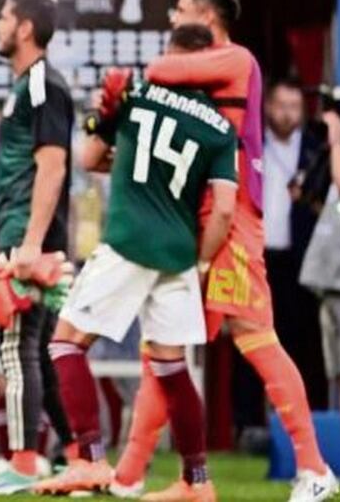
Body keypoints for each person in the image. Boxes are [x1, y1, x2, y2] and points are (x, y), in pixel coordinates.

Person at [110, 0, 340, 502]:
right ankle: (132, 477)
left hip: (232, 219)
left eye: (182, 8)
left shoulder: (237, 60)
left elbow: (159, 70)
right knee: (163, 347)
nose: (173, 18)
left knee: (254, 334)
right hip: (196, 216)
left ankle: (314, 468)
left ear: (208, 17)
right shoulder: (205, 74)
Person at [33, 24, 239, 501]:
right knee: (171, 366)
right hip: (179, 253)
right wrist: (202, 261)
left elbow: (88, 157)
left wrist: (99, 118)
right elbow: (224, 207)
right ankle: (197, 482)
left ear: (171, 55)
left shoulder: (134, 95)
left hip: (128, 240)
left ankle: (89, 460)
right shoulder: (218, 125)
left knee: (65, 344)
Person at [0, 0, 76, 494]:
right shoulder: (24, 84)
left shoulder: (43, 84)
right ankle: (78, 454)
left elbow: (52, 163)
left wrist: (32, 242)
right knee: (36, 349)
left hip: (30, 240)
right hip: (20, 233)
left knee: (19, 348)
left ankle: (24, 459)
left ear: (24, 29)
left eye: (3, 17)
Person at [262, 78, 328, 408]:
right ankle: (250, 423)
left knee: (306, 341)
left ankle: (309, 413)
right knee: (259, 340)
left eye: (294, 107)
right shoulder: (253, 146)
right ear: (268, 107)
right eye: (281, 106)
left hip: (304, 260)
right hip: (261, 259)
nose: (287, 115)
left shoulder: (317, 150)